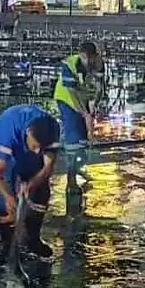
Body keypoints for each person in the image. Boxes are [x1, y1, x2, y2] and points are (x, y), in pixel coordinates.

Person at [0, 104, 62, 260]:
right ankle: (7, 246)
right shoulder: (7, 131)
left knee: (41, 192)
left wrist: (31, 185)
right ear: (29, 133)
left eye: (42, 148)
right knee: (6, 204)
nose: (37, 151)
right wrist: (8, 196)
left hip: (28, 150)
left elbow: (48, 167)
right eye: (35, 145)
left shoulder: (52, 129)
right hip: (11, 154)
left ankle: (33, 239)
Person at [53, 42, 101, 190]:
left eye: (90, 58)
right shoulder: (69, 65)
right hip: (66, 100)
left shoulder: (98, 63)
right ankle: (71, 178)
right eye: (84, 58)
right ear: (81, 56)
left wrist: (94, 105)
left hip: (82, 97)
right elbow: (72, 94)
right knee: (74, 138)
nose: (88, 62)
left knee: (84, 139)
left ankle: (78, 166)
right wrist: (84, 113)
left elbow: (100, 87)